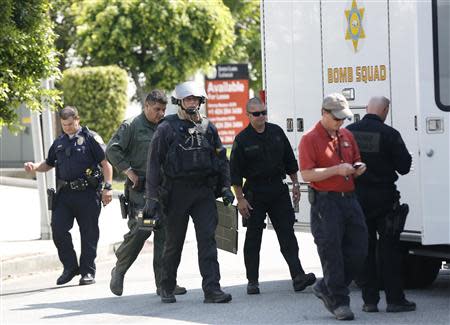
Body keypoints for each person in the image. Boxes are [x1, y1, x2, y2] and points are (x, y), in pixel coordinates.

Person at [145, 81, 234, 304]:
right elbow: (154, 164)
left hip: (203, 192)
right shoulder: (166, 128)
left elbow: (221, 159)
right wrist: (152, 198)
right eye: (188, 100)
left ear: (201, 102)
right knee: (174, 242)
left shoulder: (208, 127)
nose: (192, 103)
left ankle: (212, 289)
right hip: (176, 193)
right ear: (180, 102)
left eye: (196, 99)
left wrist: (226, 186)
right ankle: (166, 286)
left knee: (208, 240)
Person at [230, 97, 316, 295]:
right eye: (257, 113)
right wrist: (240, 199)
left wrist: (295, 184)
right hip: (255, 193)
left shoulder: (276, 132)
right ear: (248, 115)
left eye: (264, 112)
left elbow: (289, 161)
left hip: (277, 190)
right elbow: (234, 173)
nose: (262, 116)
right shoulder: (242, 140)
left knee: (287, 234)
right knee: (253, 238)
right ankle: (252, 281)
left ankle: (298, 276)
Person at [106, 90, 186, 297]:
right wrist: (129, 173)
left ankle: (164, 283)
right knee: (144, 228)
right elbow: (112, 150)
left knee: (166, 237)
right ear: (146, 107)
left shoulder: (166, 126)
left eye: (163, 109)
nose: (160, 113)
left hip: (165, 188)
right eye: (156, 109)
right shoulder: (132, 125)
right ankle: (120, 268)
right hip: (142, 189)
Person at [24, 106, 113, 286]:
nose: (68, 128)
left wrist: (108, 188)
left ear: (77, 120)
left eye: (71, 124)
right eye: (64, 125)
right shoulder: (59, 142)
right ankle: (70, 267)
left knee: (88, 233)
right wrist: (34, 166)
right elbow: (48, 164)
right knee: (58, 228)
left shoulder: (91, 139)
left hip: (88, 194)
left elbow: (106, 163)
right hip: (65, 194)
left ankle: (87, 271)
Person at [298, 93, 368, 321]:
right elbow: (307, 173)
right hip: (325, 202)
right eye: (337, 118)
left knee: (360, 249)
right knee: (332, 252)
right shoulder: (309, 139)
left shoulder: (346, 135)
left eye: (343, 118)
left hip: (349, 198)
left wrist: (358, 168)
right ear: (324, 114)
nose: (341, 122)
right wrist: (336, 170)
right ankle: (339, 301)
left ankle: (326, 286)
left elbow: (355, 158)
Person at [347, 96, 415, 313]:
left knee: (365, 250)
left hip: (357, 198)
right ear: (385, 110)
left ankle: (370, 301)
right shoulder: (390, 134)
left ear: (367, 109)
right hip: (384, 199)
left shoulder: (349, 132)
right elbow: (404, 166)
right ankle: (395, 300)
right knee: (390, 251)